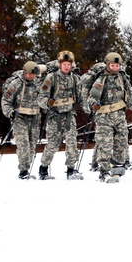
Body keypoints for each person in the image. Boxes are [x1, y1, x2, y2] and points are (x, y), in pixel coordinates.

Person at [87, 52, 132, 180]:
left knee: (122, 145)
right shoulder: (101, 79)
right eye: (113, 65)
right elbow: (92, 96)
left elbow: (130, 96)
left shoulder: (123, 79)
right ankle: (104, 171)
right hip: (104, 117)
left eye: (117, 65)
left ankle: (114, 165)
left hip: (120, 117)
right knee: (105, 145)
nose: (115, 68)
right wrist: (93, 104)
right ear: (108, 65)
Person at [37, 50, 82, 180]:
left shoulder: (75, 79)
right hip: (54, 116)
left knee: (72, 142)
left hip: (69, 115)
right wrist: (47, 102)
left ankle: (71, 169)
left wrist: (89, 108)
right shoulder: (51, 78)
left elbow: (80, 97)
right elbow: (41, 97)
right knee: (53, 144)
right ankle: (43, 168)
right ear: (59, 64)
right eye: (64, 64)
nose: (67, 66)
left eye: (69, 64)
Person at [1, 61, 43, 180]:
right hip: (20, 117)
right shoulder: (16, 84)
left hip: (35, 118)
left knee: (32, 145)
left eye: (34, 74)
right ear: (25, 72)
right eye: (30, 74)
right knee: (23, 144)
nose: (32, 76)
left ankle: (26, 168)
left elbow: (43, 97)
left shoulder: (37, 84)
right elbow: (6, 101)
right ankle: (23, 171)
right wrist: (10, 113)